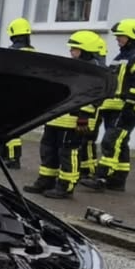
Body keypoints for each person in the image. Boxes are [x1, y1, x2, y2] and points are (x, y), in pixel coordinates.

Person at [22, 30, 105, 200]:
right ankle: (46, 180)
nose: (71, 51)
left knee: (68, 153)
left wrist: (83, 118)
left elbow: (93, 98)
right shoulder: (74, 68)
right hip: (57, 118)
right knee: (48, 150)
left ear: (85, 50)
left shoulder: (93, 72)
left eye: (74, 49)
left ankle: (66, 186)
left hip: (74, 121)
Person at [80, 18, 135, 193]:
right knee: (121, 142)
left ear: (132, 37)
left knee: (111, 140)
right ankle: (118, 180)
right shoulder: (124, 56)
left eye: (121, 36)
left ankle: (101, 178)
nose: (117, 39)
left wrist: (130, 103)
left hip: (129, 107)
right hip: (116, 106)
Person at [76, 30, 110, 182]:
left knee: (88, 140)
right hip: (88, 111)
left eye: (75, 49)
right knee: (84, 141)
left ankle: (88, 170)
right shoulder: (91, 65)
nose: (71, 52)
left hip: (92, 112)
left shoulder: (95, 68)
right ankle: (85, 169)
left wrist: (85, 114)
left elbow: (94, 94)